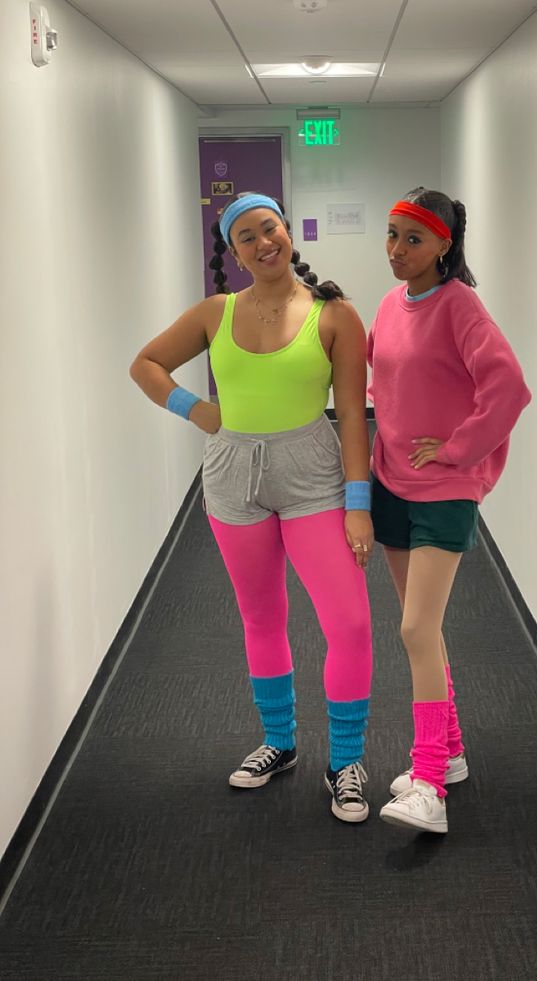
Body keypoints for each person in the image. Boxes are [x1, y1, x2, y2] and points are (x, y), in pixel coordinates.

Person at [130, 192, 374, 823]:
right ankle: (280, 742)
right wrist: (197, 410)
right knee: (261, 617)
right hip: (232, 478)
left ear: (287, 232)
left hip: (313, 476)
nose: (263, 243)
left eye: (270, 229)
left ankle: (345, 761)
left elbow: (352, 412)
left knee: (348, 623)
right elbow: (146, 364)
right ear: (233, 253)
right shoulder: (215, 312)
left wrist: (357, 502)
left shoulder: (336, 314)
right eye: (246, 237)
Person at [368, 187, 531, 833]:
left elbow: (509, 386)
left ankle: (428, 779)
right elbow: (377, 376)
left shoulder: (460, 305)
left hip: (445, 489)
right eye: (391, 235)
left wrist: (460, 447)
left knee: (414, 629)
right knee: (422, 628)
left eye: (413, 239)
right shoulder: (389, 302)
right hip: (391, 481)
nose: (397, 251)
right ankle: (451, 753)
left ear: (444, 244)